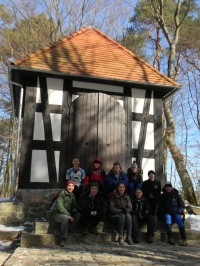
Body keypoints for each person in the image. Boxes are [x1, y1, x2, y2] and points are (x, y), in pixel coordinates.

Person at [158, 182, 187, 246]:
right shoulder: (162, 196)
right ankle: (170, 238)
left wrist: (179, 211)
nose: (168, 188)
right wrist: (164, 211)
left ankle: (184, 239)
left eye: (169, 187)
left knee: (179, 220)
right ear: (165, 188)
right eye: (167, 187)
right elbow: (160, 207)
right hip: (167, 213)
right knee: (168, 219)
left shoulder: (176, 195)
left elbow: (182, 205)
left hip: (176, 213)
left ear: (171, 187)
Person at [54, 181, 81, 247]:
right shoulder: (62, 194)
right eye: (69, 186)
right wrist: (68, 215)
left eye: (72, 186)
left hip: (68, 213)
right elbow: (59, 206)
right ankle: (62, 239)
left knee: (78, 215)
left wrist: (74, 211)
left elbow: (74, 206)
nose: (70, 187)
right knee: (65, 218)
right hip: (58, 214)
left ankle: (69, 229)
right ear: (66, 186)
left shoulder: (73, 195)